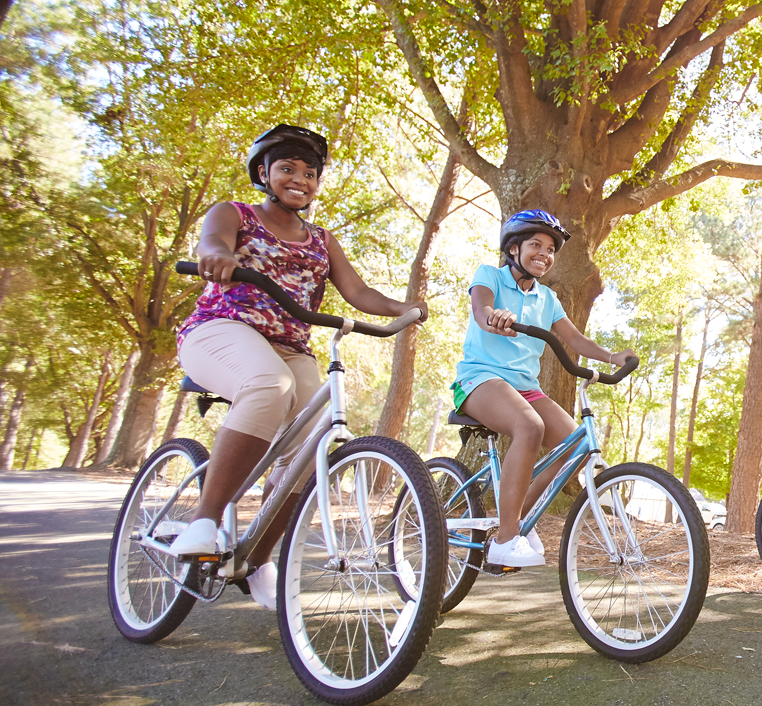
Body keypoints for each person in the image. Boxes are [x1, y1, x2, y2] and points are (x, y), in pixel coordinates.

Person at [170, 125, 429, 610]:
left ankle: (256, 559)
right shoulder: (234, 213)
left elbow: (358, 294)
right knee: (271, 384)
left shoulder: (322, 240)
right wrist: (217, 257)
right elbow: (211, 243)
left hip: (290, 343)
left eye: (310, 173)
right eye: (287, 168)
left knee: (313, 447)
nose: (300, 179)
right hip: (221, 327)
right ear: (264, 173)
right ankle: (205, 519)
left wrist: (402, 307)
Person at [450, 209, 634, 569]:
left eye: (551, 249)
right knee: (529, 426)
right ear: (514, 249)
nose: (545, 254)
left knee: (575, 445)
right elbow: (481, 308)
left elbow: (574, 339)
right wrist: (494, 317)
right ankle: (504, 539)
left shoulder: (547, 299)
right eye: (536, 245)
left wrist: (612, 357)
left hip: (524, 387)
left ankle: (516, 522)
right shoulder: (490, 276)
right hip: (480, 379)